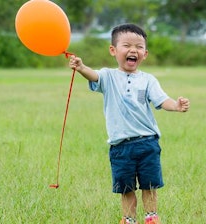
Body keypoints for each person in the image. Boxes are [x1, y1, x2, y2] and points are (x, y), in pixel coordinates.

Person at [68, 23, 190, 224]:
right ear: (113, 50)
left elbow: (162, 100)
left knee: (149, 185)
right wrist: (81, 67)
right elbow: (94, 75)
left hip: (147, 142)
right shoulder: (108, 76)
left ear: (145, 54)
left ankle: (151, 218)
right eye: (127, 45)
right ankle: (129, 219)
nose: (133, 50)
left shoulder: (148, 80)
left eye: (139, 47)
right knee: (126, 188)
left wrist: (176, 106)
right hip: (120, 146)